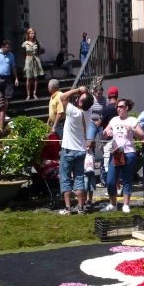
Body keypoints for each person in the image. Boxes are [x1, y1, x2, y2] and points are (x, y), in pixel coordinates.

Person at [102, 98, 142, 213]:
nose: (119, 109)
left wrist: (132, 129)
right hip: (116, 153)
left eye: (121, 107)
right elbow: (105, 133)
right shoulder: (114, 120)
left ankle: (125, 205)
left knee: (126, 179)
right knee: (110, 181)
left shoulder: (132, 120)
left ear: (126, 108)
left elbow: (141, 135)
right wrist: (106, 132)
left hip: (129, 152)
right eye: (117, 107)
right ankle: (113, 204)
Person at [58, 86, 93, 215]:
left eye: (79, 98)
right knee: (79, 179)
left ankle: (67, 208)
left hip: (68, 150)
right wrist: (85, 93)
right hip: (80, 150)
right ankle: (80, 208)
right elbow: (90, 100)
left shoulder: (73, 111)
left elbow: (63, 96)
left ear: (79, 103)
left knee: (66, 178)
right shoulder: (88, 113)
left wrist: (79, 90)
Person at [96, 87, 121, 185]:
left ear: (108, 96)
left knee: (107, 164)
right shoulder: (120, 108)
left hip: (108, 140)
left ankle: (111, 187)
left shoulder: (107, 109)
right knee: (118, 162)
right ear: (117, 96)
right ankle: (118, 186)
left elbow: (98, 124)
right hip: (119, 139)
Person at [22, 28, 43, 100]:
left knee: (35, 78)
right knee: (28, 78)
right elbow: (23, 53)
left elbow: (39, 53)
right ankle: (28, 94)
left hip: (35, 59)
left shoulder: (36, 43)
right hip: (28, 59)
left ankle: (34, 93)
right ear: (28, 34)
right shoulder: (25, 43)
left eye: (34, 33)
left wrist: (40, 48)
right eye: (31, 33)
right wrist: (27, 59)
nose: (33, 35)